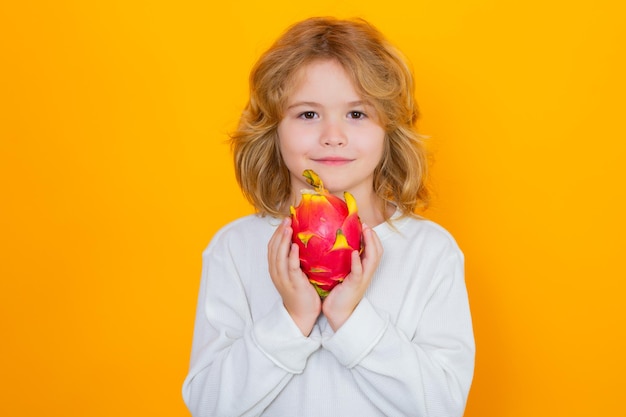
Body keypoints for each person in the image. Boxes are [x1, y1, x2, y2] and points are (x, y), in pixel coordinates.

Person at [182, 16, 474, 417]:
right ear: (274, 129)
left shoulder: (430, 252)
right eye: (307, 114)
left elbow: (442, 406)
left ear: (389, 130)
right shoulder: (234, 249)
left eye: (357, 114)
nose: (332, 135)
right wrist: (291, 318)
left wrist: (350, 319)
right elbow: (209, 406)